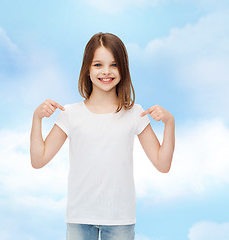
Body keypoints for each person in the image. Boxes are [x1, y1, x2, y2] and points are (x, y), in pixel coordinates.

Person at [30, 32, 175, 240]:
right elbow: (38, 160)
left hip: (120, 219)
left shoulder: (135, 113)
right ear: (87, 69)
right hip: (79, 216)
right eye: (98, 65)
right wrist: (37, 119)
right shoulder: (70, 113)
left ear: (123, 69)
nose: (106, 71)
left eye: (114, 65)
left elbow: (163, 164)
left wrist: (169, 122)